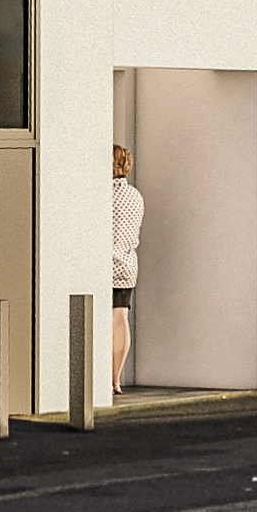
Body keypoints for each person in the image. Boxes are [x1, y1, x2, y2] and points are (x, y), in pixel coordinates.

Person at [110, 143, 144, 395]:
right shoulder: (135, 196)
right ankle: (115, 379)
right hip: (126, 266)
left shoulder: (101, 194)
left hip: (101, 265)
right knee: (120, 318)